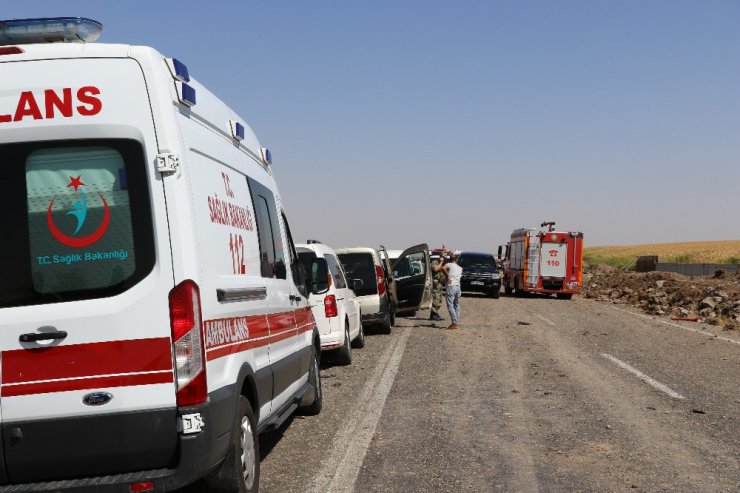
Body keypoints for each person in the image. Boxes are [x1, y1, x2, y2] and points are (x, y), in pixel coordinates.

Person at [442, 250, 463, 330]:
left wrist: (447, 276)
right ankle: (456, 322)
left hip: (451, 286)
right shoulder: (460, 268)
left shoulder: (448, 264)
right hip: (458, 287)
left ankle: (454, 322)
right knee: (456, 305)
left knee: (450, 305)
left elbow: (443, 268)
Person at [429, 251, 448, 321]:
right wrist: (441, 262)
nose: (445, 259)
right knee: (436, 299)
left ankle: (435, 313)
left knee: (439, 300)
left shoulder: (444, 264)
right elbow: (435, 269)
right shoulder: (435, 262)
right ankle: (433, 314)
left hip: (440, 284)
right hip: (436, 284)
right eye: (443, 257)